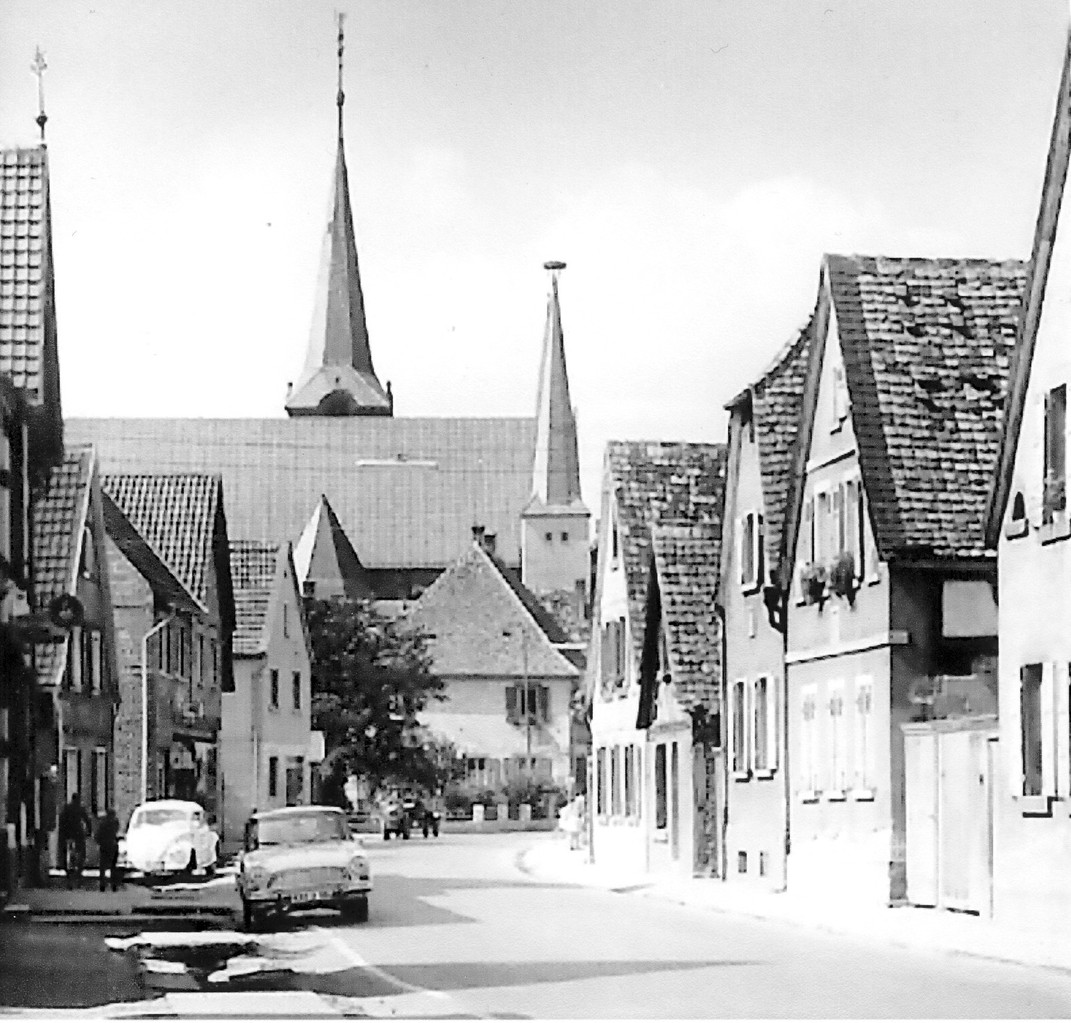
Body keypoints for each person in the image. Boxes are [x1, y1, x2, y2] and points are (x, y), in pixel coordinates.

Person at [57, 792, 91, 888]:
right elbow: (87, 820)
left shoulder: (66, 808)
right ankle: (79, 874)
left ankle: (69, 876)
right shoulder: (80, 809)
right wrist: (89, 831)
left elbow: (62, 820)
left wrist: (62, 833)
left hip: (68, 835)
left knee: (69, 854)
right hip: (78, 834)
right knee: (81, 854)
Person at [95, 808, 121, 892]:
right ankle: (114, 885)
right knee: (113, 866)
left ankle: (102, 884)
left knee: (102, 866)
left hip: (104, 845)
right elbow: (116, 831)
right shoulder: (115, 822)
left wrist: (99, 842)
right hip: (112, 845)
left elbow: (97, 835)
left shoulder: (103, 823)